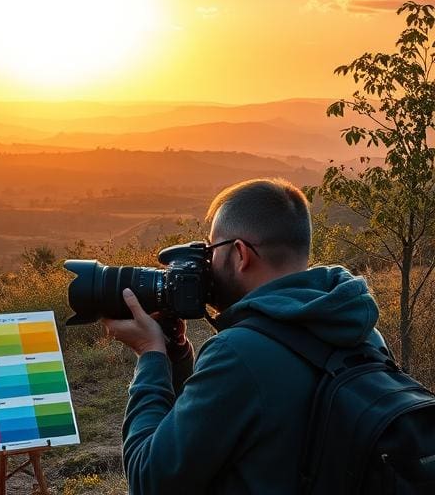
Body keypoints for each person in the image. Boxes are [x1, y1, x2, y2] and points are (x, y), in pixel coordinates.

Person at [103, 177, 386, 495]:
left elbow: (148, 479)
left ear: (240, 253)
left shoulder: (239, 354)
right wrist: (176, 359)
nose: (208, 264)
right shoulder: (361, 332)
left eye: (211, 249)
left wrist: (150, 354)